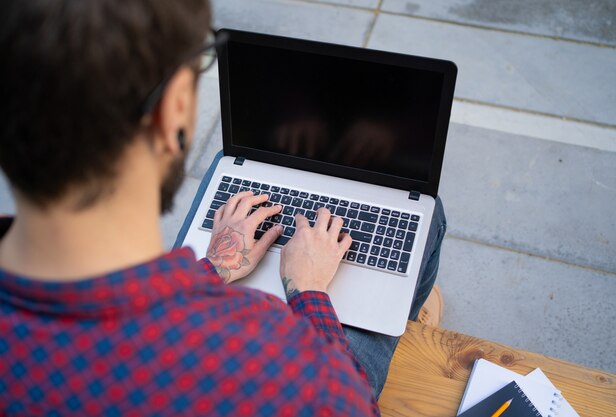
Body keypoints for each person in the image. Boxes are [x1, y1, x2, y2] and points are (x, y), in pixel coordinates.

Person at [0, 0, 446, 415]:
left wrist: (214, 265)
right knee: (430, 215)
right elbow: (351, 402)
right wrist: (308, 291)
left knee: (227, 168)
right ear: (172, 109)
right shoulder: (287, 368)